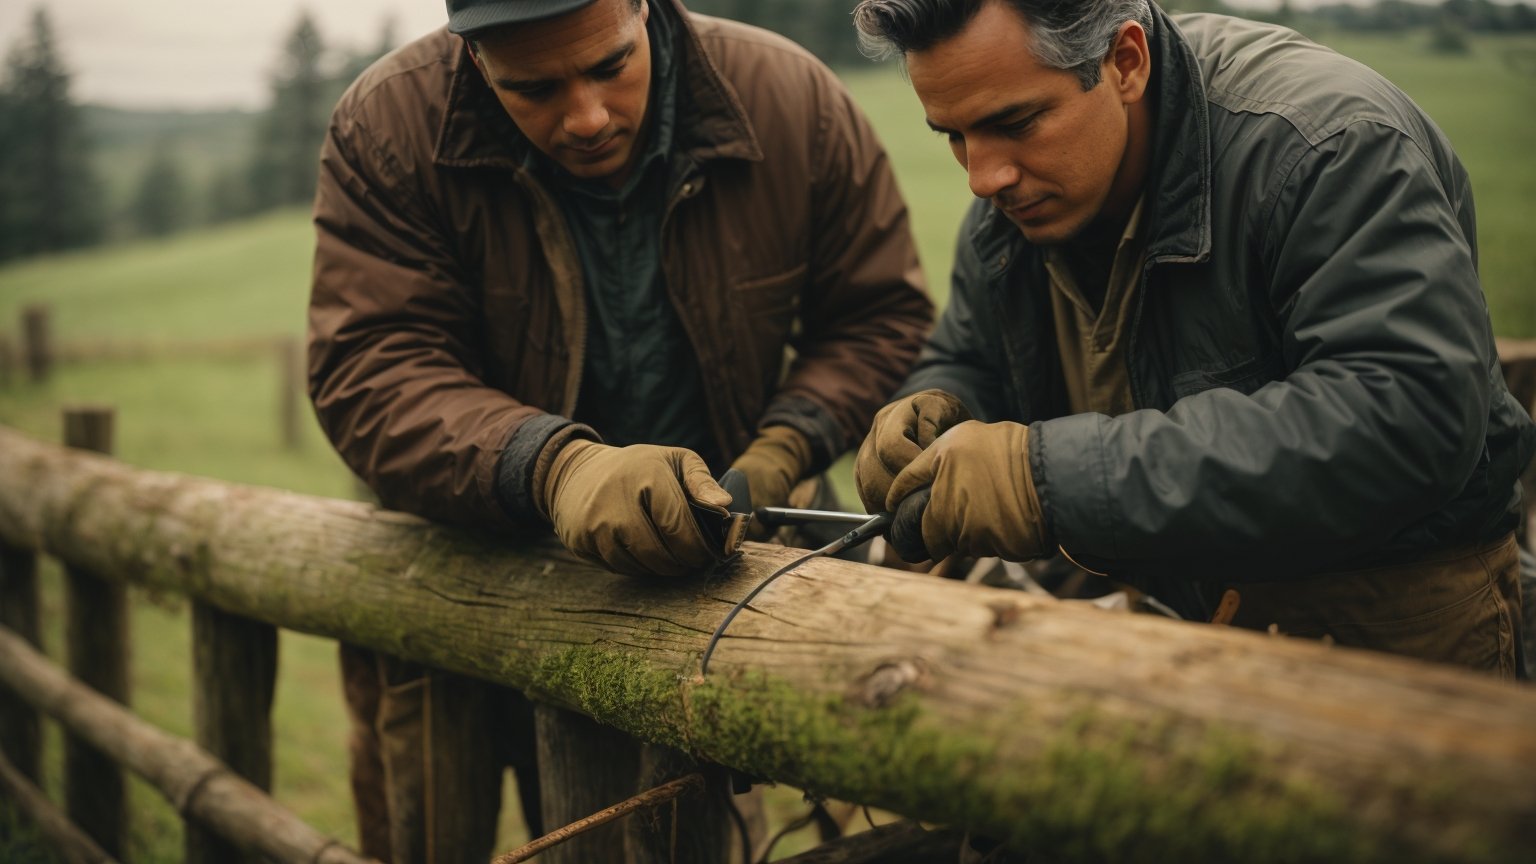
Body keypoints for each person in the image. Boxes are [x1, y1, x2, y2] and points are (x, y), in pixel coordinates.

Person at [307, 0, 932, 860]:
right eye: (535, 89)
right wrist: (551, 467)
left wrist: (783, 447)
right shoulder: (388, 126)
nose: (588, 117)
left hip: (704, 605)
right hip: (463, 591)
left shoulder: (791, 100)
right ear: (475, 59)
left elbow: (881, 317)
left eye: (610, 66)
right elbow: (370, 368)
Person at [850, 0, 1530, 677]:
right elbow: (974, 354)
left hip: (1387, 625)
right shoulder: (1018, 200)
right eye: (954, 135)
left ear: (1125, 62)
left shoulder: (1327, 146)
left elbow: (1410, 415)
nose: (982, 177)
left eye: (1016, 123)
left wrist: (1045, 481)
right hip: (1173, 617)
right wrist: (933, 413)